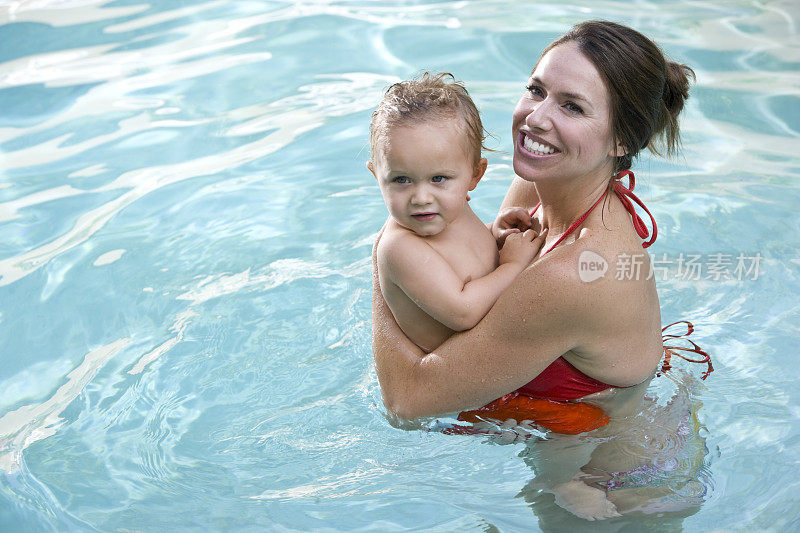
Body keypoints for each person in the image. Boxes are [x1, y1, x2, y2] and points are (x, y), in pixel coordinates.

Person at [371, 21, 697, 520]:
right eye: (536, 89)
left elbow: (408, 400)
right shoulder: (543, 189)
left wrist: (388, 259)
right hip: (578, 440)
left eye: (572, 106)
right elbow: (484, 266)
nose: (536, 118)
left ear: (621, 140)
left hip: (608, 481)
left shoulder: (577, 273)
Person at [367, 72, 545, 352]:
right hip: (462, 383)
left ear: (475, 175)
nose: (421, 198)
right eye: (401, 180)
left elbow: (463, 253)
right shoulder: (400, 248)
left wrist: (494, 233)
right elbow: (463, 311)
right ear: (376, 175)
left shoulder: (453, 209)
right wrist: (512, 265)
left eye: (438, 179)